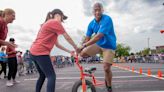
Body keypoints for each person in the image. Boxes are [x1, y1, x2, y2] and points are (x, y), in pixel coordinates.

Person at [29, 9, 79, 92]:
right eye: (62, 18)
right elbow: (67, 37)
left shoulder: (49, 25)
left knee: (42, 75)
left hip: (33, 52)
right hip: (40, 52)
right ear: (57, 15)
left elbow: (57, 45)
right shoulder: (55, 22)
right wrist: (76, 47)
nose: (62, 21)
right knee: (51, 76)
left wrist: (69, 51)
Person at [79, 2, 116, 92]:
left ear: (102, 10)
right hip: (98, 45)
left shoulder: (107, 19)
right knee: (82, 53)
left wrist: (85, 45)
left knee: (106, 68)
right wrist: (80, 47)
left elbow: (99, 36)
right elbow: (87, 38)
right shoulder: (91, 24)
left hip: (109, 46)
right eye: (96, 10)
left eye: (99, 10)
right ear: (93, 11)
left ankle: (109, 86)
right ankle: (90, 70)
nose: (98, 12)